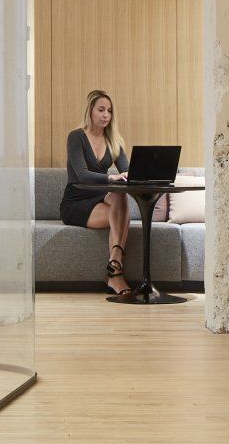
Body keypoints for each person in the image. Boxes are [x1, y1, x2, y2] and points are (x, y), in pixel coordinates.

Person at [59, 88, 166, 301]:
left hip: (99, 198)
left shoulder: (114, 140)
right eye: (101, 110)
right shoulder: (76, 137)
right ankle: (115, 274)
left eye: (109, 111)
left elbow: (126, 171)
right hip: (76, 201)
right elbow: (82, 175)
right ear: (90, 111)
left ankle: (114, 262)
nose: (106, 115)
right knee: (121, 213)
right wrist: (111, 177)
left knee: (119, 195)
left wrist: (139, 174)